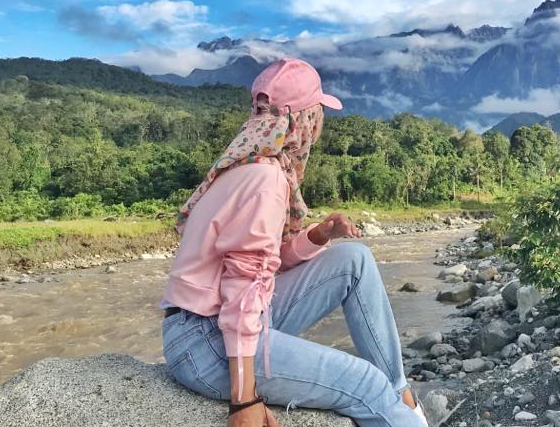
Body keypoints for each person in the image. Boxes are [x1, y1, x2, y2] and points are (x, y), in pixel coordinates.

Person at [160, 58, 426, 427]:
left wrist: (318, 237)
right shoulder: (265, 179)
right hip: (205, 342)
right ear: (301, 121)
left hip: (207, 325)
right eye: (318, 113)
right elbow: (244, 288)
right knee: (366, 383)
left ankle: (399, 393)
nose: (320, 125)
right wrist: (244, 401)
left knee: (354, 258)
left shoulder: (252, 164)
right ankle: (397, 408)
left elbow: (263, 263)